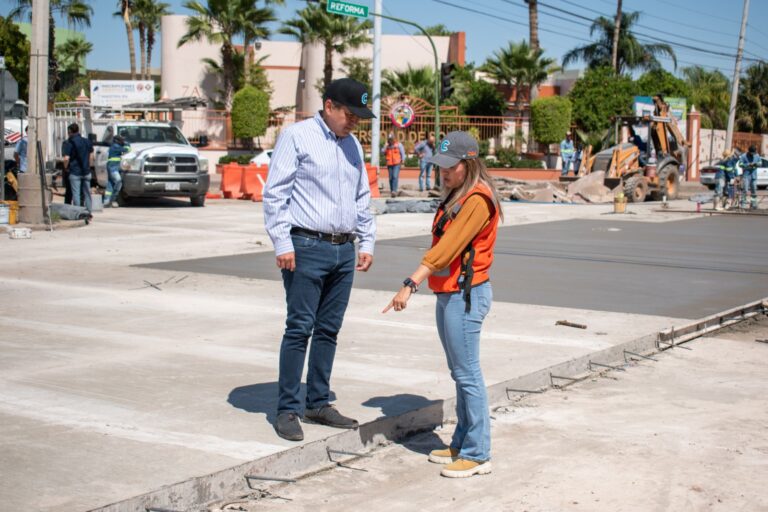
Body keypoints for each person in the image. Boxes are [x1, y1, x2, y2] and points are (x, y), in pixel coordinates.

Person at [383, 131, 503, 479]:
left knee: (468, 375)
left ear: (469, 164)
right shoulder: (459, 195)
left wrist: (411, 282)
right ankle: (462, 440)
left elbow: (448, 248)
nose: (444, 173)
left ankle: (478, 454)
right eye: (441, 166)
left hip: (466, 295)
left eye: (451, 167)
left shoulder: (478, 200)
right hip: (450, 293)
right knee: (460, 373)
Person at [263, 77, 376, 442]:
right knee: (300, 328)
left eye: (359, 116)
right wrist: (283, 243)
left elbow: (362, 195)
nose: (354, 121)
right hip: (306, 247)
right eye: (349, 113)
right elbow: (275, 194)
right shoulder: (297, 136)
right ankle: (288, 409)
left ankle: (317, 401)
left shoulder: (353, 144)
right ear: (329, 106)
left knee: (329, 330)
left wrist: (367, 241)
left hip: (344, 250)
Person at [62, 123, 94, 211]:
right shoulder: (87, 141)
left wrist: (65, 167)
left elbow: (66, 158)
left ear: (69, 132)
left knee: (76, 193)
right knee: (87, 193)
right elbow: (91, 156)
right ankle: (89, 212)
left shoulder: (70, 142)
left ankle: (78, 212)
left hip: (75, 172)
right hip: (86, 171)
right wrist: (89, 166)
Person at [104, 135, 130, 207]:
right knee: (118, 181)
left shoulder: (114, 146)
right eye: (121, 140)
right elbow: (127, 149)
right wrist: (127, 143)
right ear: (117, 141)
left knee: (110, 184)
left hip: (113, 167)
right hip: (113, 167)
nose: (122, 141)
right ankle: (113, 199)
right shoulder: (116, 146)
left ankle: (106, 201)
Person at [738, 145, 762, 209]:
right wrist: (748, 165)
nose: (753, 154)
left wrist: (756, 164)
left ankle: (753, 203)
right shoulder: (744, 156)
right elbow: (740, 164)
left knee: (754, 190)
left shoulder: (757, 155)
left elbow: (760, 163)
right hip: (746, 175)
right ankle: (743, 203)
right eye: (752, 153)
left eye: (754, 152)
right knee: (745, 189)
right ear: (749, 151)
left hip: (754, 176)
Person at [383, 133, 405, 197]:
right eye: (389, 139)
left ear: (394, 139)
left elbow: (402, 153)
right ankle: (392, 190)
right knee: (390, 178)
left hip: (397, 163)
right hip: (389, 163)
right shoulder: (387, 146)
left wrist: (403, 160)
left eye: (391, 139)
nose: (390, 141)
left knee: (395, 176)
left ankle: (394, 191)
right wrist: (385, 146)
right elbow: (382, 152)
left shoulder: (398, 145)